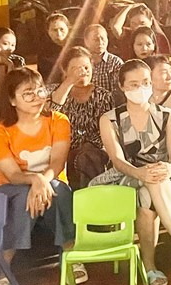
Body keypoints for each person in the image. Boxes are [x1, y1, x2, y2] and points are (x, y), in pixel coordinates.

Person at [91, 60, 171, 285]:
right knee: (149, 181)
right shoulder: (109, 119)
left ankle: (150, 266)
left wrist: (169, 168)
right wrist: (139, 173)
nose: (141, 88)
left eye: (145, 82)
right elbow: (117, 160)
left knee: (148, 194)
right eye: (133, 84)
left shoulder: (167, 115)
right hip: (125, 176)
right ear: (122, 86)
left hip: (164, 178)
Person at [0, 68, 78, 285]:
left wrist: (42, 180)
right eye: (28, 93)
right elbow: (12, 174)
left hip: (51, 181)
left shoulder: (58, 121)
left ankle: (72, 254)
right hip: (9, 187)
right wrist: (35, 180)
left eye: (40, 90)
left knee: (59, 191)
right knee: (21, 198)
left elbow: (57, 163)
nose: (37, 97)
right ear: (12, 100)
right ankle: (2, 270)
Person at [47, 46, 114, 188]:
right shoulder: (55, 91)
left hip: (92, 150)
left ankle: (87, 195)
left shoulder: (103, 96)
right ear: (65, 70)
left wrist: (85, 147)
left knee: (86, 158)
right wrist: (69, 82)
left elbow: (105, 132)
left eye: (86, 68)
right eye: (75, 69)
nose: (82, 72)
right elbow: (50, 113)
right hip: (60, 149)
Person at [83, 25, 125, 96]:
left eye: (103, 39)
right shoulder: (82, 62)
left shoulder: (115, 62)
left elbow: (119, 91)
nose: (100, 42)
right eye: (96, 39)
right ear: (86, 41)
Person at [41, 13, 71, 82]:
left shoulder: (79, 45)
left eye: (62, 29)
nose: (59, 34)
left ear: (68, 28)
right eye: (54, 30)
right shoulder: (45, 53)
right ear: (48, 31)